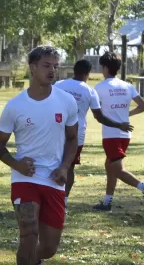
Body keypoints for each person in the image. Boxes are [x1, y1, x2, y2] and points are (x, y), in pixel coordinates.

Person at [0, 46, 78, 265]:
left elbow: (73, 139)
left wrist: (65, 167)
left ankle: (34, 263)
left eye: (55, 65)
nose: (52, 70)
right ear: (32, 67)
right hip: (24, 179)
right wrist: (16, 163)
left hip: (54, 181)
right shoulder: (15, 106)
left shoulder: (67, 101)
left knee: (49, 247)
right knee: (28, 235)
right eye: (46, 65)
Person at [54, 59, 132, 208]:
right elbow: (99, 117)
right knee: (69, 167)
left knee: (52, 162)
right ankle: (63, 201)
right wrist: (118, 125)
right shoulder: (89, 91)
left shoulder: (59, 85)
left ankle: (51, 197)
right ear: (87, 74)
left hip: (56, 128)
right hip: (77, 134)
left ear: (74, 70)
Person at [91, 52, 144, 211]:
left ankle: (142, 186)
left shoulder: (99, 87)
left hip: (110, 135)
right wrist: (127, 114)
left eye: (102, 67)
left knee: (118, 170)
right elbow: (142, 105)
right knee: (110, 166)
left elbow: (97, 112)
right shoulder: (128, 86)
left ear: (105, 67)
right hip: (125, 135)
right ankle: (107, 202)